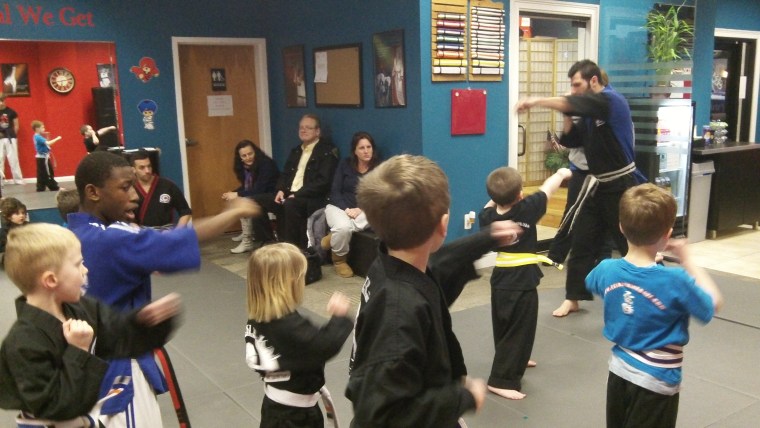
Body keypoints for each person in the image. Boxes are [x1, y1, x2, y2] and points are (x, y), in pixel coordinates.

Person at [68, 151, 260, 427]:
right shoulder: (112, 238)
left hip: (88, 366)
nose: (135, 196)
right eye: (124, 188)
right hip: (121, 370)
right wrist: (235, 212)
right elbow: (177, 240)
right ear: (93, 192)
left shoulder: (70, 235)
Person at [345, 154, 524, 427]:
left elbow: (438, 266)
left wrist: (485, 238)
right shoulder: (398, 313)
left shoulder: (390, 263)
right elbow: (379, 415)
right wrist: (461, 398)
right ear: (443, 225)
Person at [0, 223, 181, 426]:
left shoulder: (80, 308)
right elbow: (57, 407)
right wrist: (79, 351)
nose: (85, 270)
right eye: (78, 264)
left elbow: (119, 335)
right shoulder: (23, 343)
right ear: (51, 280)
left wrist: (146, 321)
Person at [515, 59, 646, 317]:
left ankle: (647, 295)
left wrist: (534, 101)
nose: (573, 90)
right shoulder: (588, 114)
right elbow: (572, 140)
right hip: (595, 186)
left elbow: (574, 102)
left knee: (632, 243)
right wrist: (566, 115)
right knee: (582, 240)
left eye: (577, 85)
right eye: (572, 86)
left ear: (594, 81)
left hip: (621, 185)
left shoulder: (611, 101)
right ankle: (573, 297)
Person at [586, 183, 723, 428]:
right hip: (656, 380)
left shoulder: (606, 269)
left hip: (619, 371)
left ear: (621, 228)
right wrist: (687, 259)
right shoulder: (675, 281)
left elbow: (593, 282)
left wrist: (643, 269)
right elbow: (713, 304)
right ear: (667, 235)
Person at [478, 166, 571, 400]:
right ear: (520, 194)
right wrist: (561, 174)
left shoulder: (487, 217)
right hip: (522, 280)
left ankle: (514, 357)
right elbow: (548, 188)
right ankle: (502, 379)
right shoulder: (527, 210)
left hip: (500, 278)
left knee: (503, 322)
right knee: (521, 328)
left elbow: (488, 206)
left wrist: (498, 195)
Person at [244, 243, 353, 427]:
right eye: (300, 278)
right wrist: (340, 318)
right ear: (287, 284)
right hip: (293, 417)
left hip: (276, 406)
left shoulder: (258, 318)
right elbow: (324, 345)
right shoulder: (288, 326)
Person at [252, 114, 339, 249]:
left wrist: (298, 194)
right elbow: (285, 174)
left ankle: (290, 249)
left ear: (317, 132)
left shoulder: (327, 152)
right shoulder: (296, 151)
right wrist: (281, 189)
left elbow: (323, 182)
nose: (303, 130)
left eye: (308, 128)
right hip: (289, 194)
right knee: (255, 201)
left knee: (290, 205)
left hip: (310, 197)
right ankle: (268, 242)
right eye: (301, 127)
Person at [320, 131, 381, 277]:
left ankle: (332, 238)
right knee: (343, 227)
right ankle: (339, 260)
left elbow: (379, 194)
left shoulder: (378, 168)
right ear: (355, 151)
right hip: (339, 207)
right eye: (362, 148)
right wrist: (347, 209)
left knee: (379, 213)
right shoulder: (345, 164)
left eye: (369, 147)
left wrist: (360, 209)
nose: (366, 151)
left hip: (364, 211)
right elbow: (335, 191)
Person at [223, 139, 280, 253]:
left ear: (256, 152)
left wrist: (237, 194)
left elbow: (259, 189)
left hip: (273, 195)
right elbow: (247, 187)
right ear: (240, 157)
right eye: (244, 156)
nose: (248, 157)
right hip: (260, 194)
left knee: (248, 200)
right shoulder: (244, 168)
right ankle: (246, 232)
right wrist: (232, 193)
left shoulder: (266, 164)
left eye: (250, 154)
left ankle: (248, 240)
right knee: (239, 198)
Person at [130, 149, 192, 228]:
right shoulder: (130, 189)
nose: (147, 171)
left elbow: (185, 212)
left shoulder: (168, 186)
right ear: (133, 170)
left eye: (149, 166)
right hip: (142, 232)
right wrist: (138, 232)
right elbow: (126, 218)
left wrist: (177, 232)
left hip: (166, 232)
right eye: (142, 168)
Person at [32, 120, 62, 192]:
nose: (44, 129)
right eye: (42, 127)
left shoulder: (37, 137)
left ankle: (40, 187)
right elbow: (49, 143)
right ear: (37, 128)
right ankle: (54, 187)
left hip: (41, 157)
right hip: (43, 158)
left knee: (41, 173)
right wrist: (57, 138)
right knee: (48, 172)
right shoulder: (38, 137)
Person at [0, 93, 23, 185]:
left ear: (4, 101)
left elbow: (16, 125)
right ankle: (0, 180)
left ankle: (18, 180)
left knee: (13, 158)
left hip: (10, 137)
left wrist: (13, 135)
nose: (0, 103)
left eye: (2, 101)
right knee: (0, 158)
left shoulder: (11, 112)